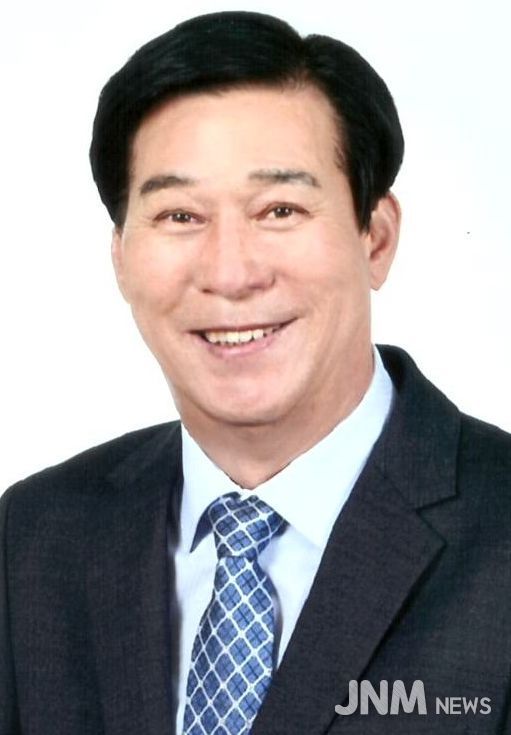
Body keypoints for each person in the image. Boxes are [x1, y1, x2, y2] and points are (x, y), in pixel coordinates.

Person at [1, 10, 510, 735]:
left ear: (375, 237)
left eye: (279, 209)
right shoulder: (34, 538)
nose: (231, 272)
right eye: (179, 216)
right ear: (120, 257)